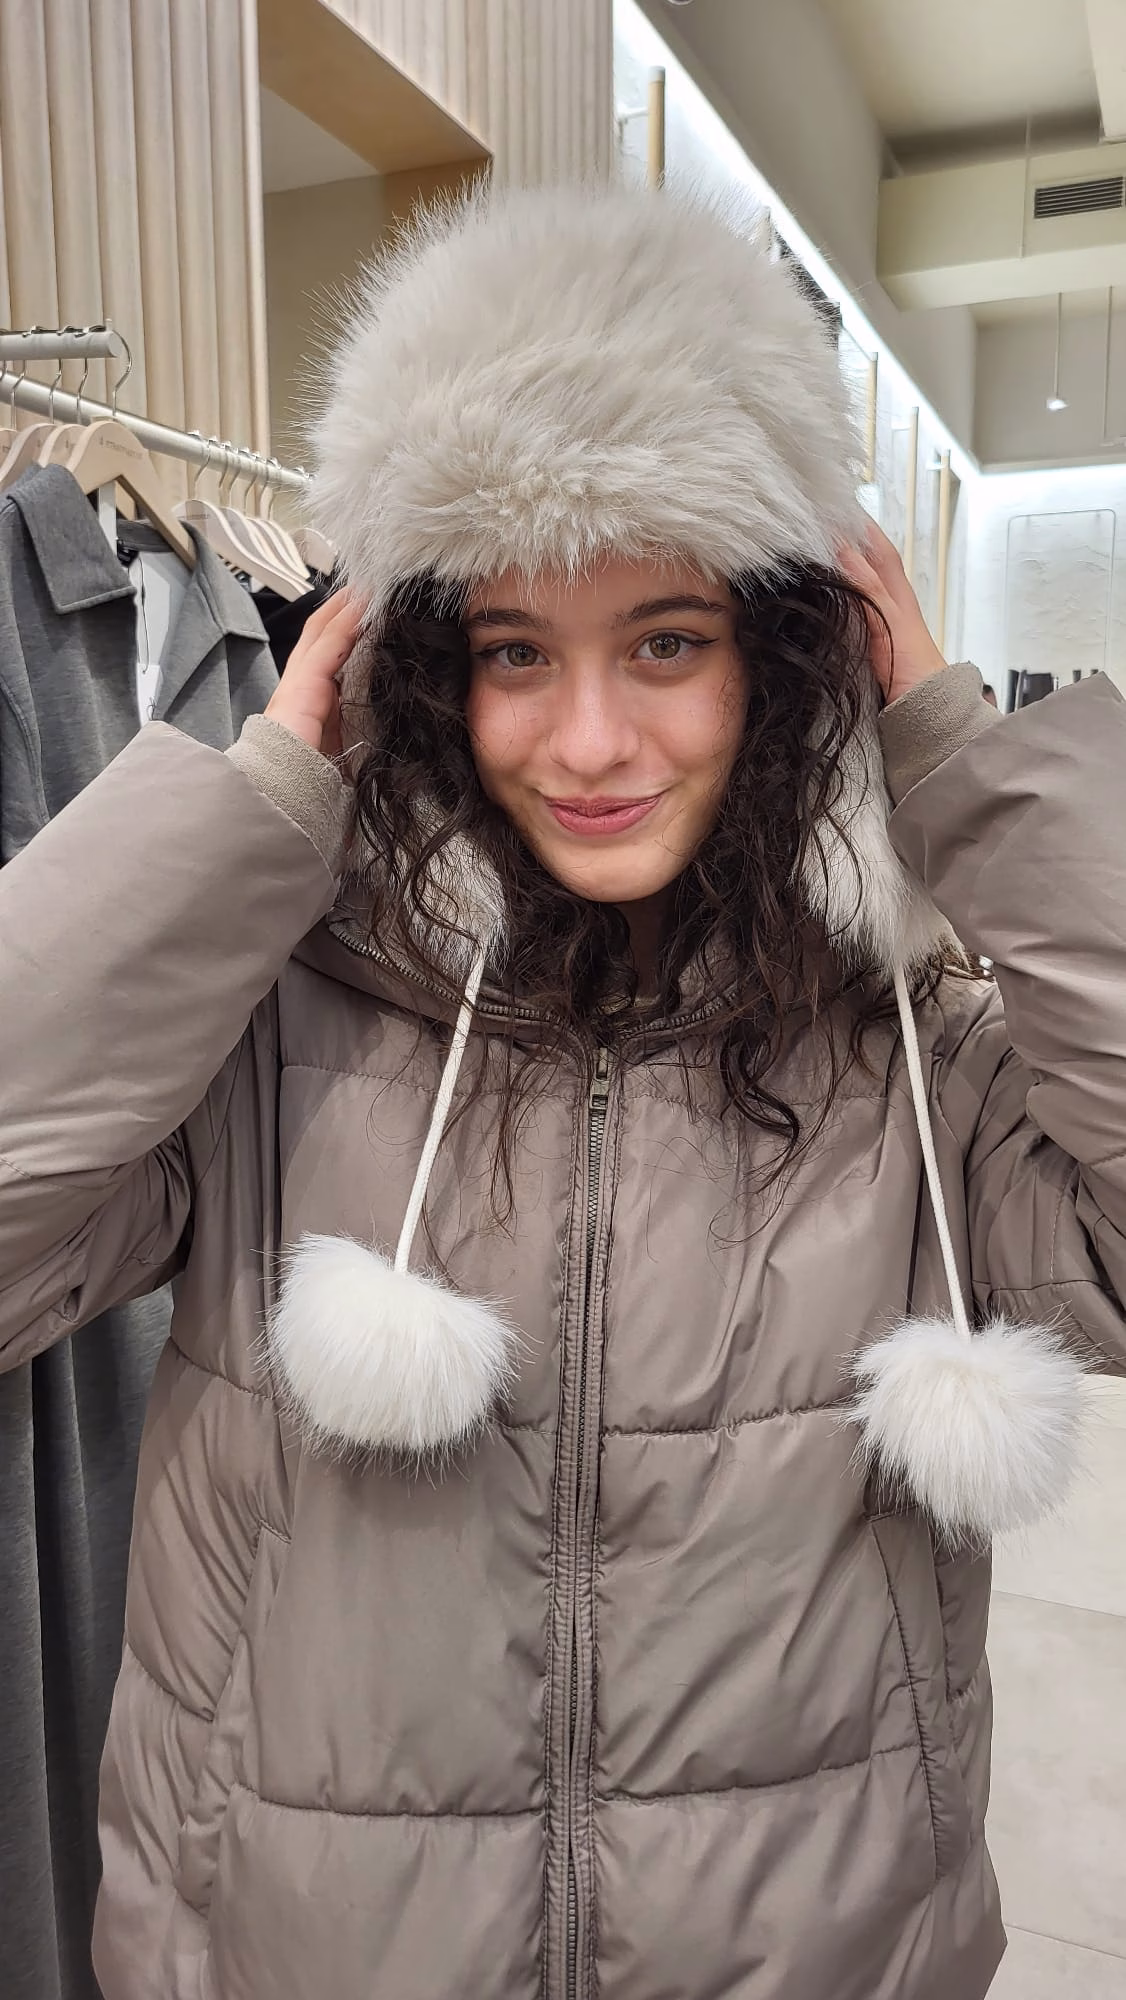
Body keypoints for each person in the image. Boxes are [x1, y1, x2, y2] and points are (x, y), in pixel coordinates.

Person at [1, 184, 1124, 2000]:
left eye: (667, 642)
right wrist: (252, 811)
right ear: (424, 673)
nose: (589, 744)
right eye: (515, 652)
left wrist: (964, 766)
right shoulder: (273, 1021)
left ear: (787, 662)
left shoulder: (908, 1049)